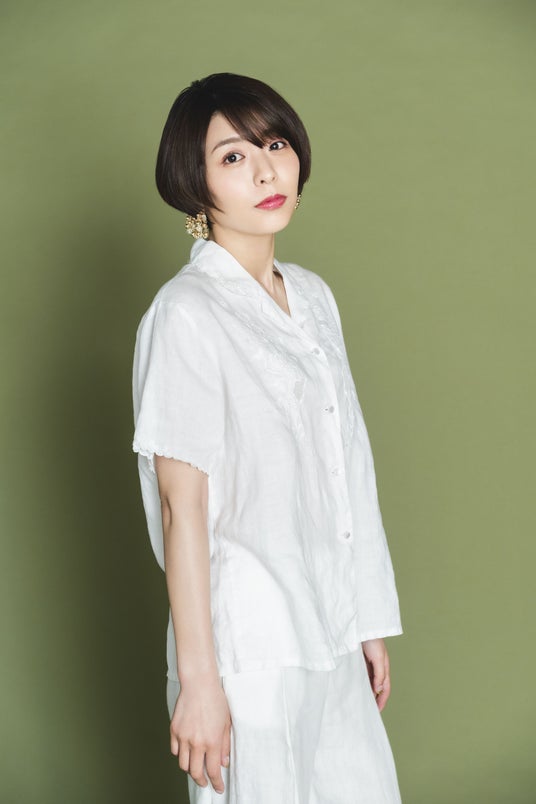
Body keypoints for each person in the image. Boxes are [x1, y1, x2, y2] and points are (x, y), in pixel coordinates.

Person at [132, 72, 403, 803]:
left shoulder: (312, 297)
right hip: (249, 647)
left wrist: (366, 620)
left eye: (275, 145)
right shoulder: (186, 313)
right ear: (196, 185)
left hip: (330, 625)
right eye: (232, 156)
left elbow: (344, 464)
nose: (264, 171)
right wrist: (200, 682)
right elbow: (181, 506)